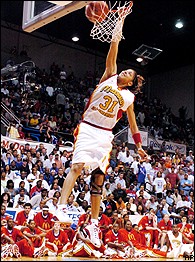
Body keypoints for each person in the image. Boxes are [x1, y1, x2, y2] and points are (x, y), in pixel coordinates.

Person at [59, 9, 147, 248]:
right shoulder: (109, 76)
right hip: (88, 127)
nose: (125, 71)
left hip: (105, 136)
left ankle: (94, 223)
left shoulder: (128, 98)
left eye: (129, 73)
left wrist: (138, 146)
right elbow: (114, 47)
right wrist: (120, 21)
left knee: (98, 178)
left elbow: (133, 123)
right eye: (125, 70)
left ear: (130, 82)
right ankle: (61, 206)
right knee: (76, 166)